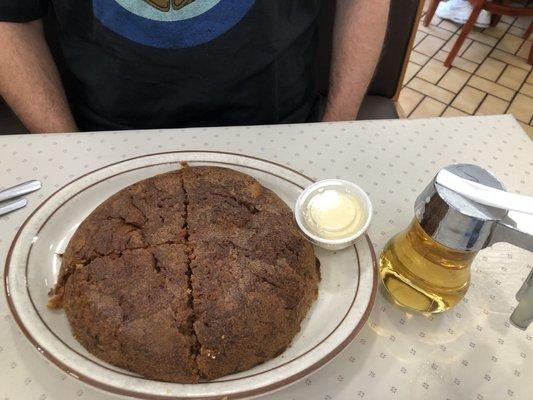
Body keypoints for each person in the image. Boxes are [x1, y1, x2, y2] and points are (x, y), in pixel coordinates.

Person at [0, 0, 389, 133]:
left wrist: (336, 125)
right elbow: (9, 19)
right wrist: (66, 147)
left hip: (283, 129)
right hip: (105, 137)